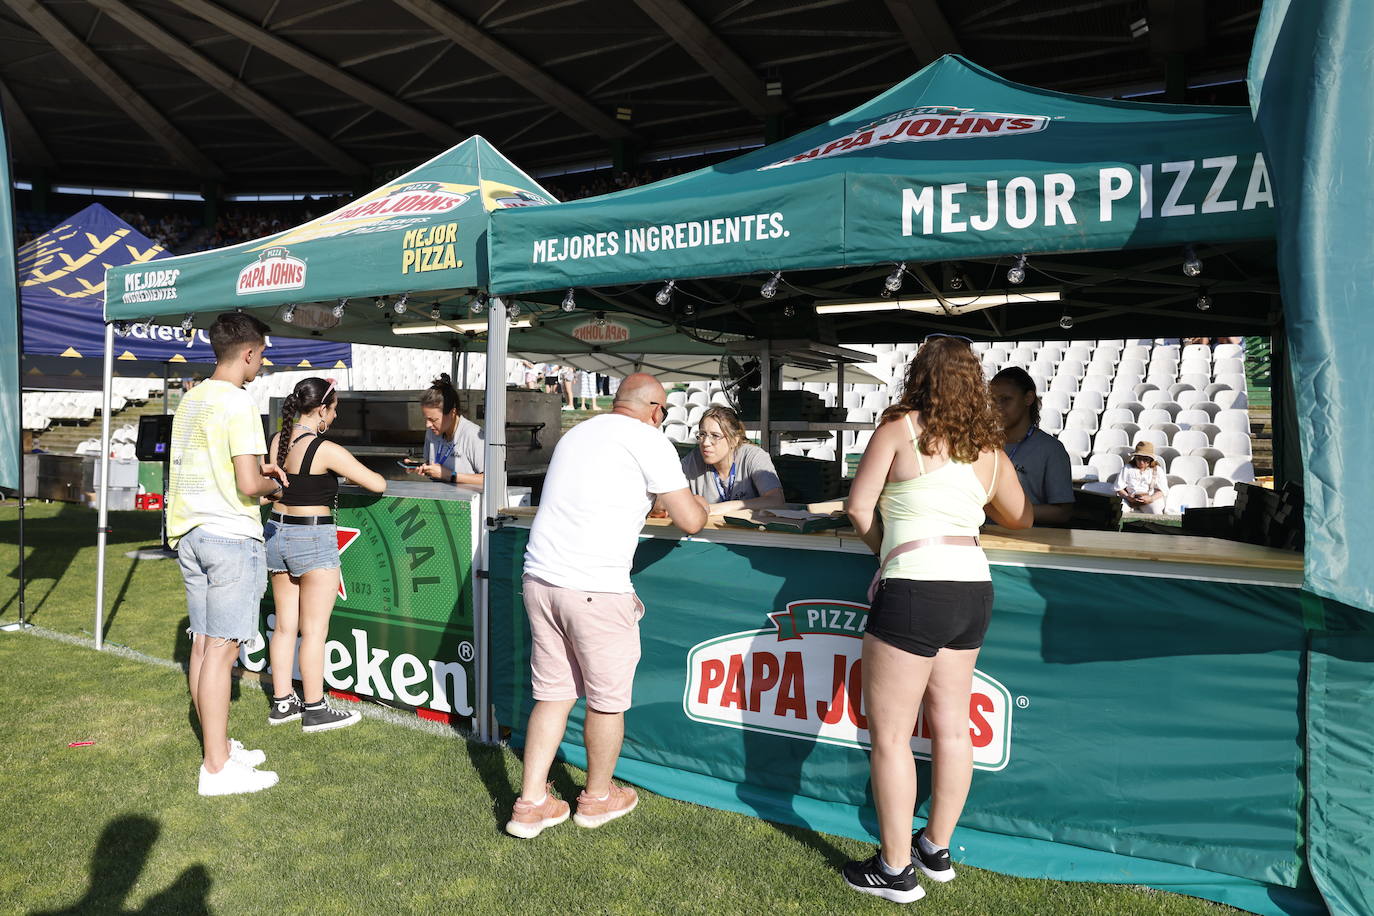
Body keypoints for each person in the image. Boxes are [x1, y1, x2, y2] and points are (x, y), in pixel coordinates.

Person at [843, 334, 1032, 902]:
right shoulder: (989, 448)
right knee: (952, 726)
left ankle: (896, 870)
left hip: (915, 583)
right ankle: (935, 847)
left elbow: (857, 505)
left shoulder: (900, 427)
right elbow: (1021, 518)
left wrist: (887, 547)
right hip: (972, 585)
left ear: (918, 375)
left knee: (893, 737)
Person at [506, 372, 707, 839]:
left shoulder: (580, 432)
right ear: (656, 410)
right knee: (606, 701)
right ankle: (596, 798)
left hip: (541, 576)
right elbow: (691, 520)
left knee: (553, 696)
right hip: (594, 585)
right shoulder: (648, 440)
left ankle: (530, 802)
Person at [166, 313, 287, 796]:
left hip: (191, 532)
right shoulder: (239, 403)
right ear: (250, 353)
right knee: (222, 650)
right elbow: (247, 483)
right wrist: (273, 484)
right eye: (263, 353)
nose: (262, 361)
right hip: (229, 536)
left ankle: (217, 748)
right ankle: (216, 768)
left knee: (202, 645)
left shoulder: (190, 399)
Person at [265, 377, 388, 732]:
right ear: (321, 409)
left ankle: (283, 701)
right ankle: (316, 707)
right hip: (312, 536)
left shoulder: (277, 441)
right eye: (333, 411)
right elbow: (377, 482)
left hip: (276, 532)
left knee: (285, 626)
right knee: (314, 631)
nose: (333, 419)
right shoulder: (326, 449)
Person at [988, 367, 1074, 526]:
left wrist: (1007, 511)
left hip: (1028, 543)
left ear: (1028, 398)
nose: (997, 407)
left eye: (1005, 399)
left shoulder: (1052, 449)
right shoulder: (984, 446)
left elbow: (1062, 512)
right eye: (993, 400)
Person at [679, 406, 785, 516]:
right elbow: (664, 499)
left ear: (734, 440)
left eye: (715, 436)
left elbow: (776, 501)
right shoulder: (692, 460)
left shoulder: (754, 456)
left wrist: (720, 508)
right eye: (702, 434)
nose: (705, 443)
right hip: (708, 532)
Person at [412, 374, 485, 486]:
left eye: (433, 419)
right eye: (426, 419)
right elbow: (433, 466)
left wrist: (449, 475)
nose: (428, 424)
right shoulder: (431, 433)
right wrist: (421, 467)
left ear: (452, 413)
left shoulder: (473, 435)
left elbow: (490, 480)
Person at [1115, 441, 1168, 514]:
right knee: (1119, 510)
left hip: (1149, 499)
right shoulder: (1127, 468)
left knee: (1156, 512)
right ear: (1135, 458)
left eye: (1145, 459)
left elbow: (1162, 490)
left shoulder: (1157, 470)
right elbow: (1118, 488)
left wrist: (1151, 498)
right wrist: (1127, 497)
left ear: (1150, 459)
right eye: (1139, 459)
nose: (1142, 462)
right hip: (1129, 499)